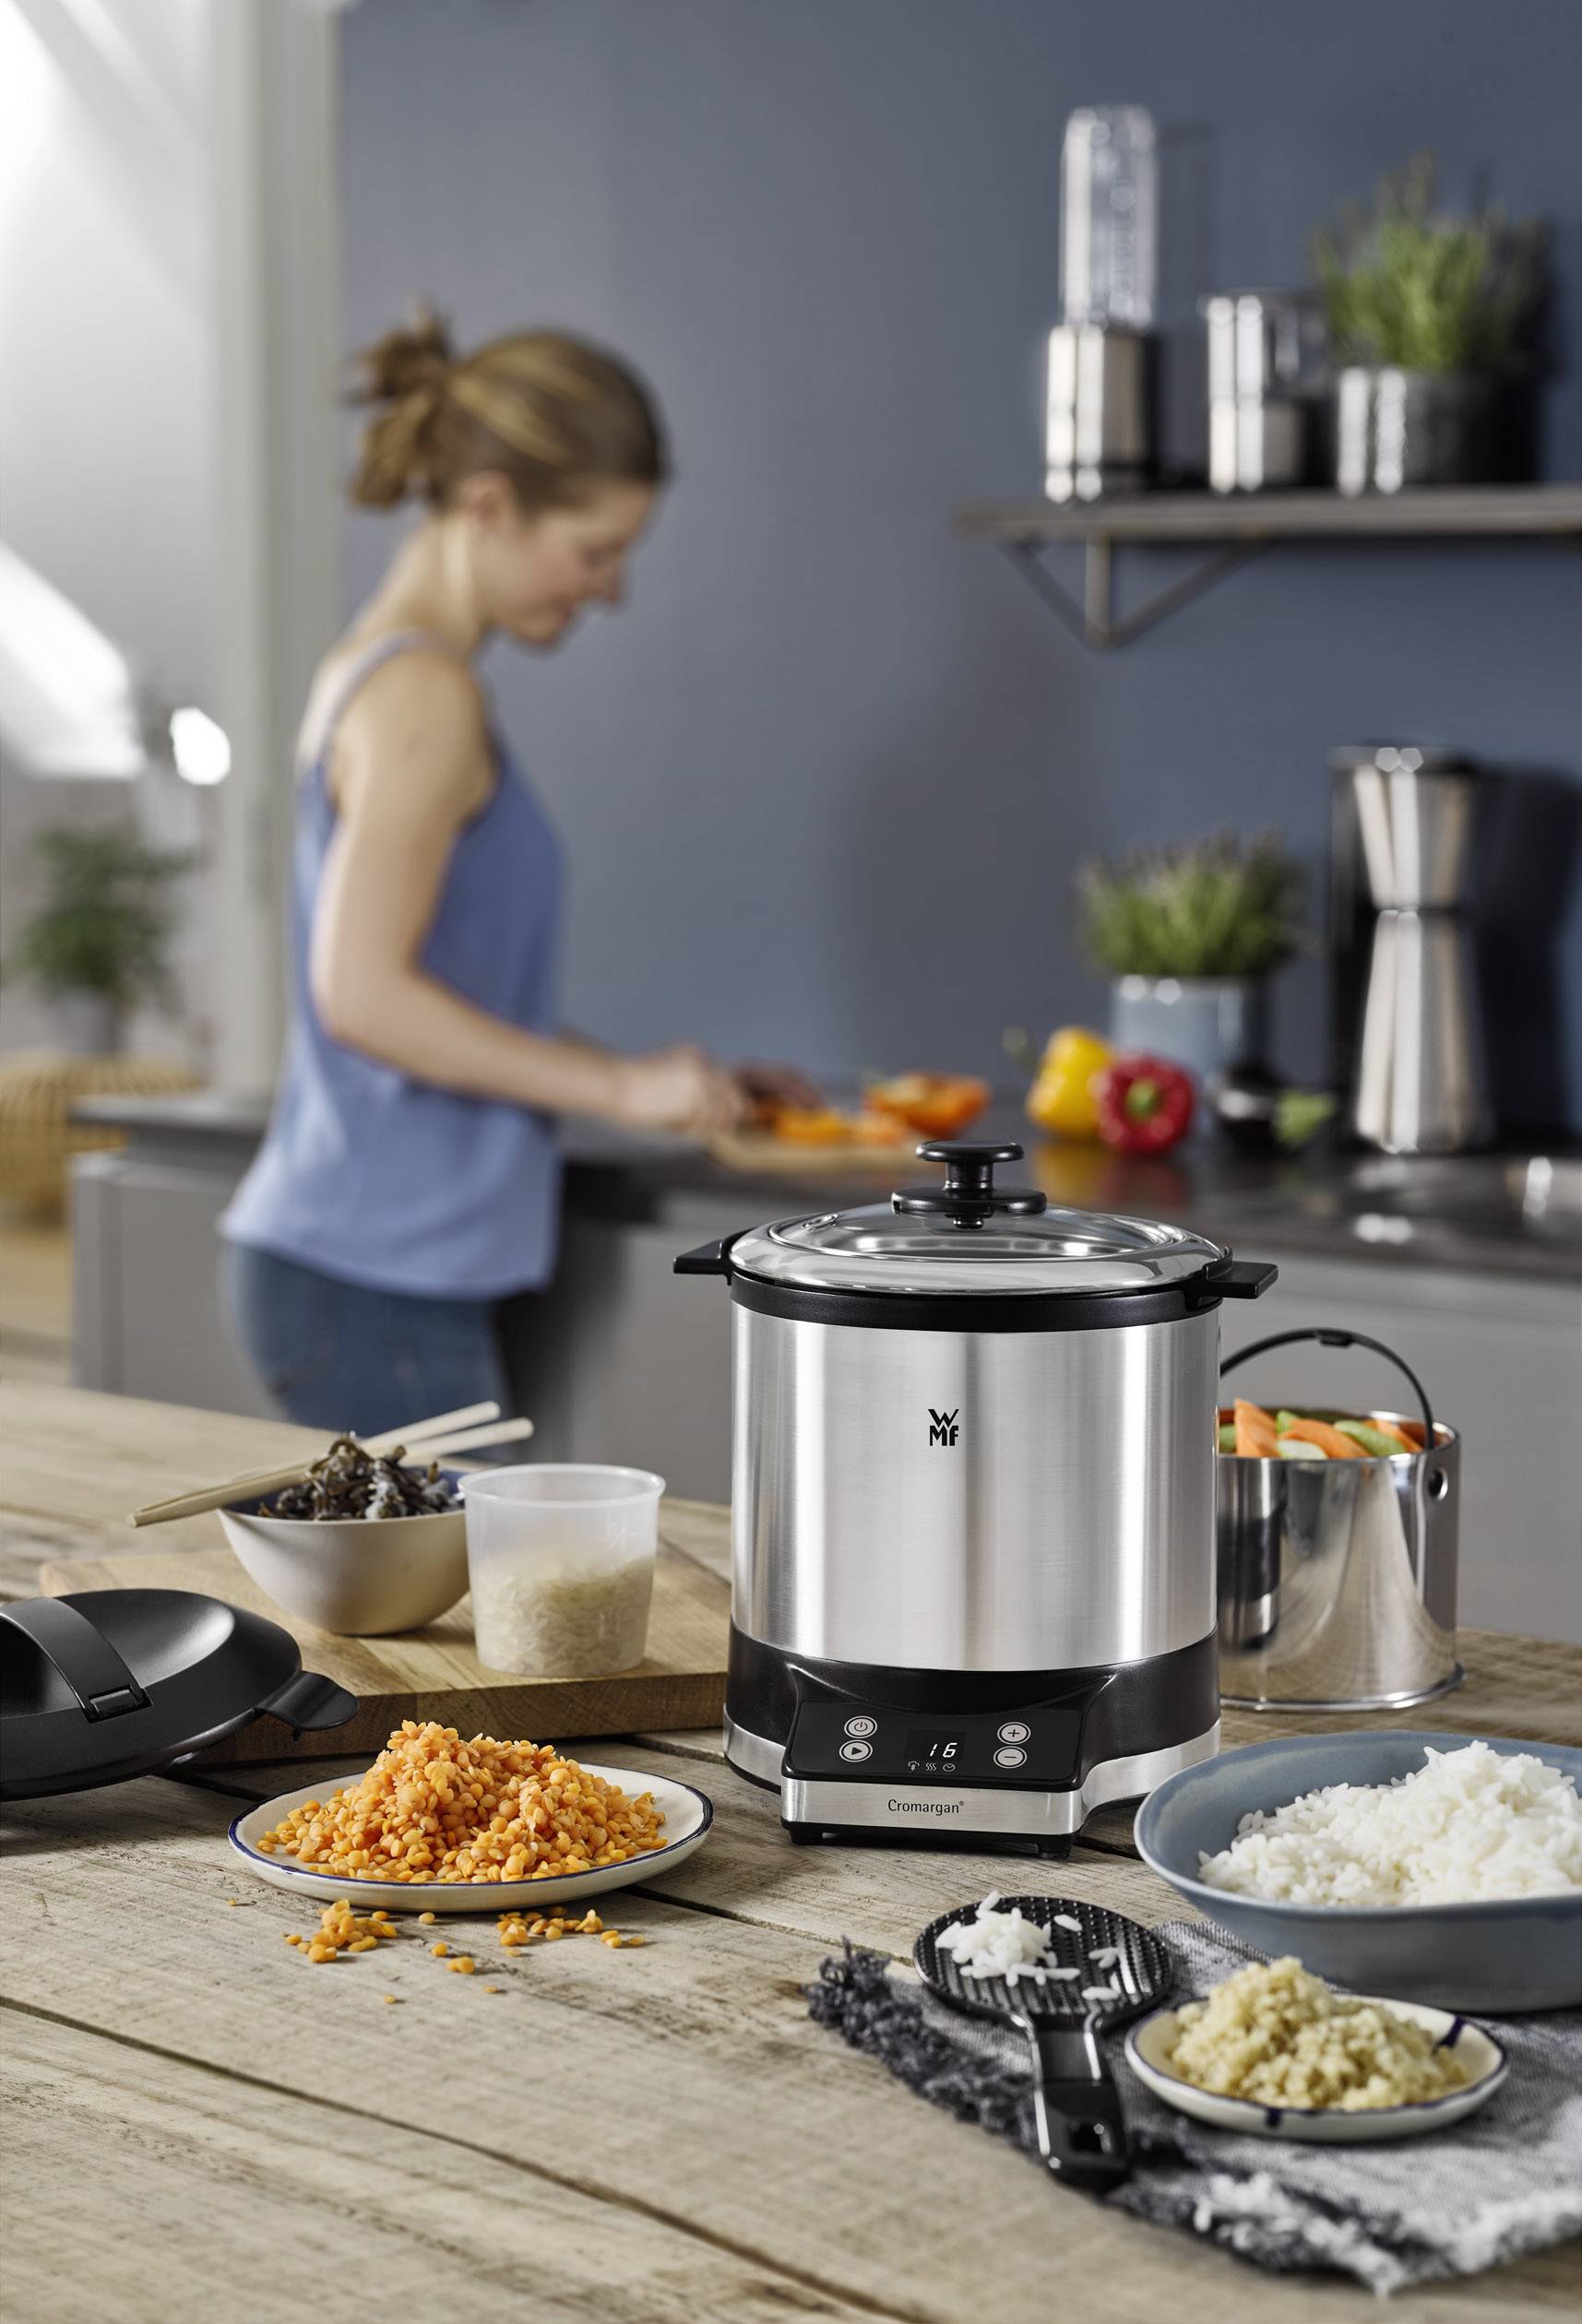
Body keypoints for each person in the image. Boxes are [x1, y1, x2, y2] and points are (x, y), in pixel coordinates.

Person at [220, 311, 812, 1434]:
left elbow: (452, 1002)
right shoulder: (423, 699)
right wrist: (617, 1092)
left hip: (372, 1272)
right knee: (469, 1614)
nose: (609, 589)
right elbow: (364, 996)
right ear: (488, 504)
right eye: (594, 550)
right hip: (373, 1282)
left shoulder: (377, 675)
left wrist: (659, 1079)